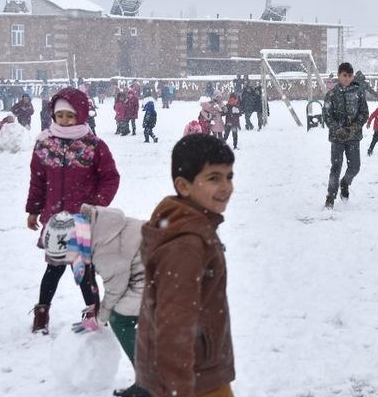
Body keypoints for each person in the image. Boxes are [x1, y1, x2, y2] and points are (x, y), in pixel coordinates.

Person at [136, 133, 236, 397]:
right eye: (214, 178)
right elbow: (174, 326)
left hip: (198, 372)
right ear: (184, 186)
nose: (226, 186)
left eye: (229, 176)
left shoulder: (193, 225)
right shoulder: (187, 244)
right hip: (193, 380)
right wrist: (178, 390)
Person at [26, 88, 120, 334]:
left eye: (70, 115)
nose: (65, 120)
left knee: (84, 270)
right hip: (56, 221)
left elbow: (110, 178)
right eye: (60, 116)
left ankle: (94, 311)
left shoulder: (94, 146)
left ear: (80, 114)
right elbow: (37, 180)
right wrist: (33, 210)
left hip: (81, 221)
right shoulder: (45, 144)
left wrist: (96, 204)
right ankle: (42, 312)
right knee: (54, 269)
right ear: (53, 116)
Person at [80, 204, 149, 397]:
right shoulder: (100, 224)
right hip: (160, 267)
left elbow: (115, 288)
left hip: (162, 275)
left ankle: (148, 382)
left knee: (120, 319)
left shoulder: (104, 248)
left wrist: (100, 318)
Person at [323, 62, 368, 209]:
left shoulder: (358, 93)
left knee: (355, 167)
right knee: (336, 167)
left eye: (350, 76)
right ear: (339, 75)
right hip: (337, 138)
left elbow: (364, 113)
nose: (347, 78)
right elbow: (327, 116)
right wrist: (338, 130)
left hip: (353, 137)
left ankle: (345, 183)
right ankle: (330, 197)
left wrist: (352, 128)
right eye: (344, 75)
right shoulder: (331, 94)